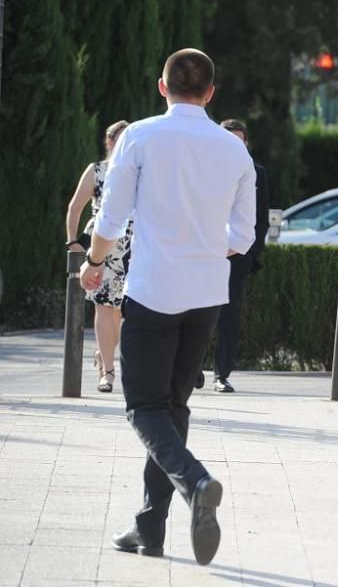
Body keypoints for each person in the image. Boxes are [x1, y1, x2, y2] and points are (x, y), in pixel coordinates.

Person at [81, 48, 257, 566]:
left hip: (154, 289)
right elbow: (243, 236)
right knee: (173, 408)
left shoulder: (138, 135)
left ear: (162, 87)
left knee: (143, 408)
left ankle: (196, 482)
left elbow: (110, 218)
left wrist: (92, 262)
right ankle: (149, 529)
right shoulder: (234, 150)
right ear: (210, 93)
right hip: (206, 295)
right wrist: (203, 240)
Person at [65, 120, 131, 393]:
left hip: (133, 245)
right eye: (120, 139)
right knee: (104, 305)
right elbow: (75, 207)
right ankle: (108, 369)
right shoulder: (97, 171)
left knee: (122, 312)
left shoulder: (141, 173)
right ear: (110, 142)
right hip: (103, 246)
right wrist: (73, 242)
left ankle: (103, 355)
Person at [210, 118, 269, 393]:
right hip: (205, 252)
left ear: (246, 143)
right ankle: (193, 368)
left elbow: (261, 219)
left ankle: (221, 374)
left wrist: (251, 254)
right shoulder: (204, 169)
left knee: (230, 315)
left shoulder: (257, 172)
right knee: (195, 310)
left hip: (238, 256)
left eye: (239, 140)